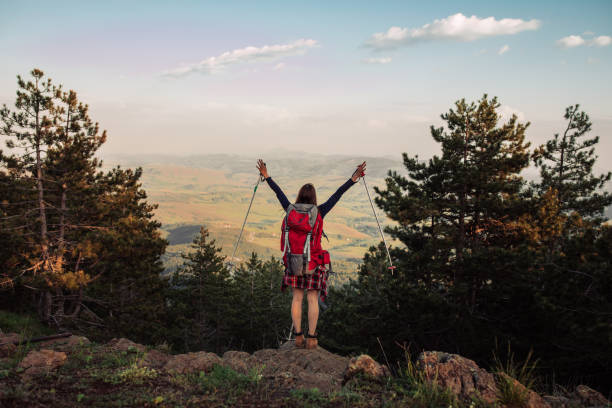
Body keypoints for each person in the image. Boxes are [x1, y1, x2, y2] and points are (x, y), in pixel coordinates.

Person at [256, 159, 366, 349]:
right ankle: (312, 338)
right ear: (314, 197)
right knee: (312, 299)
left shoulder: (290, 209)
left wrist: (266, 176)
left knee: (297, 298)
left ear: (299, 195)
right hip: (313, 264)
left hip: (293, 263)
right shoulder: (319, 211)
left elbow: (278, 193)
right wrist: (354, 178)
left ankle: (298, 337)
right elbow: (337, 194)